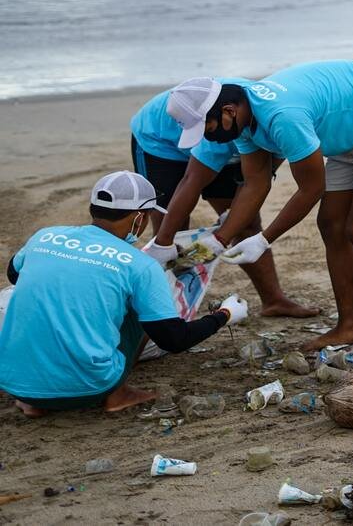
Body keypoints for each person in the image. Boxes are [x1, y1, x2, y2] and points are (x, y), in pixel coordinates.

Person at [168, 60, 353, 351]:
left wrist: (264, 238)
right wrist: (220, 239)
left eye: (207, 127)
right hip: (351, 135)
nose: (208, 136)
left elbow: (311, 189)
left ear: (229, 111)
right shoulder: (242, 119)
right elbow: (256, 183)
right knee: (332, 225)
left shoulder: (282, 116)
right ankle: (351, 326)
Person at [0, 171, 247, 418]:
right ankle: (118, 394)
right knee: (140, 308)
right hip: (86, 389)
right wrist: (224, 315)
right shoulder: (139, 264)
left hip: (13, 384)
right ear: (139, 219)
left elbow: (15, 275)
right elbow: (173, 339)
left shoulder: (45, 236)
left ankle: (34, 401)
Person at [130, 82, 317, 318]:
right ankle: (166, 311)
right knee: (172, 229)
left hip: (219, 128)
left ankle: (274, 300)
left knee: (246, 223)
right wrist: (162, 243)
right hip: (159, 142)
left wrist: (233, 222)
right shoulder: (213, 133)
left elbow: (262, 175)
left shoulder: (253, 116)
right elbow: (192, 181)